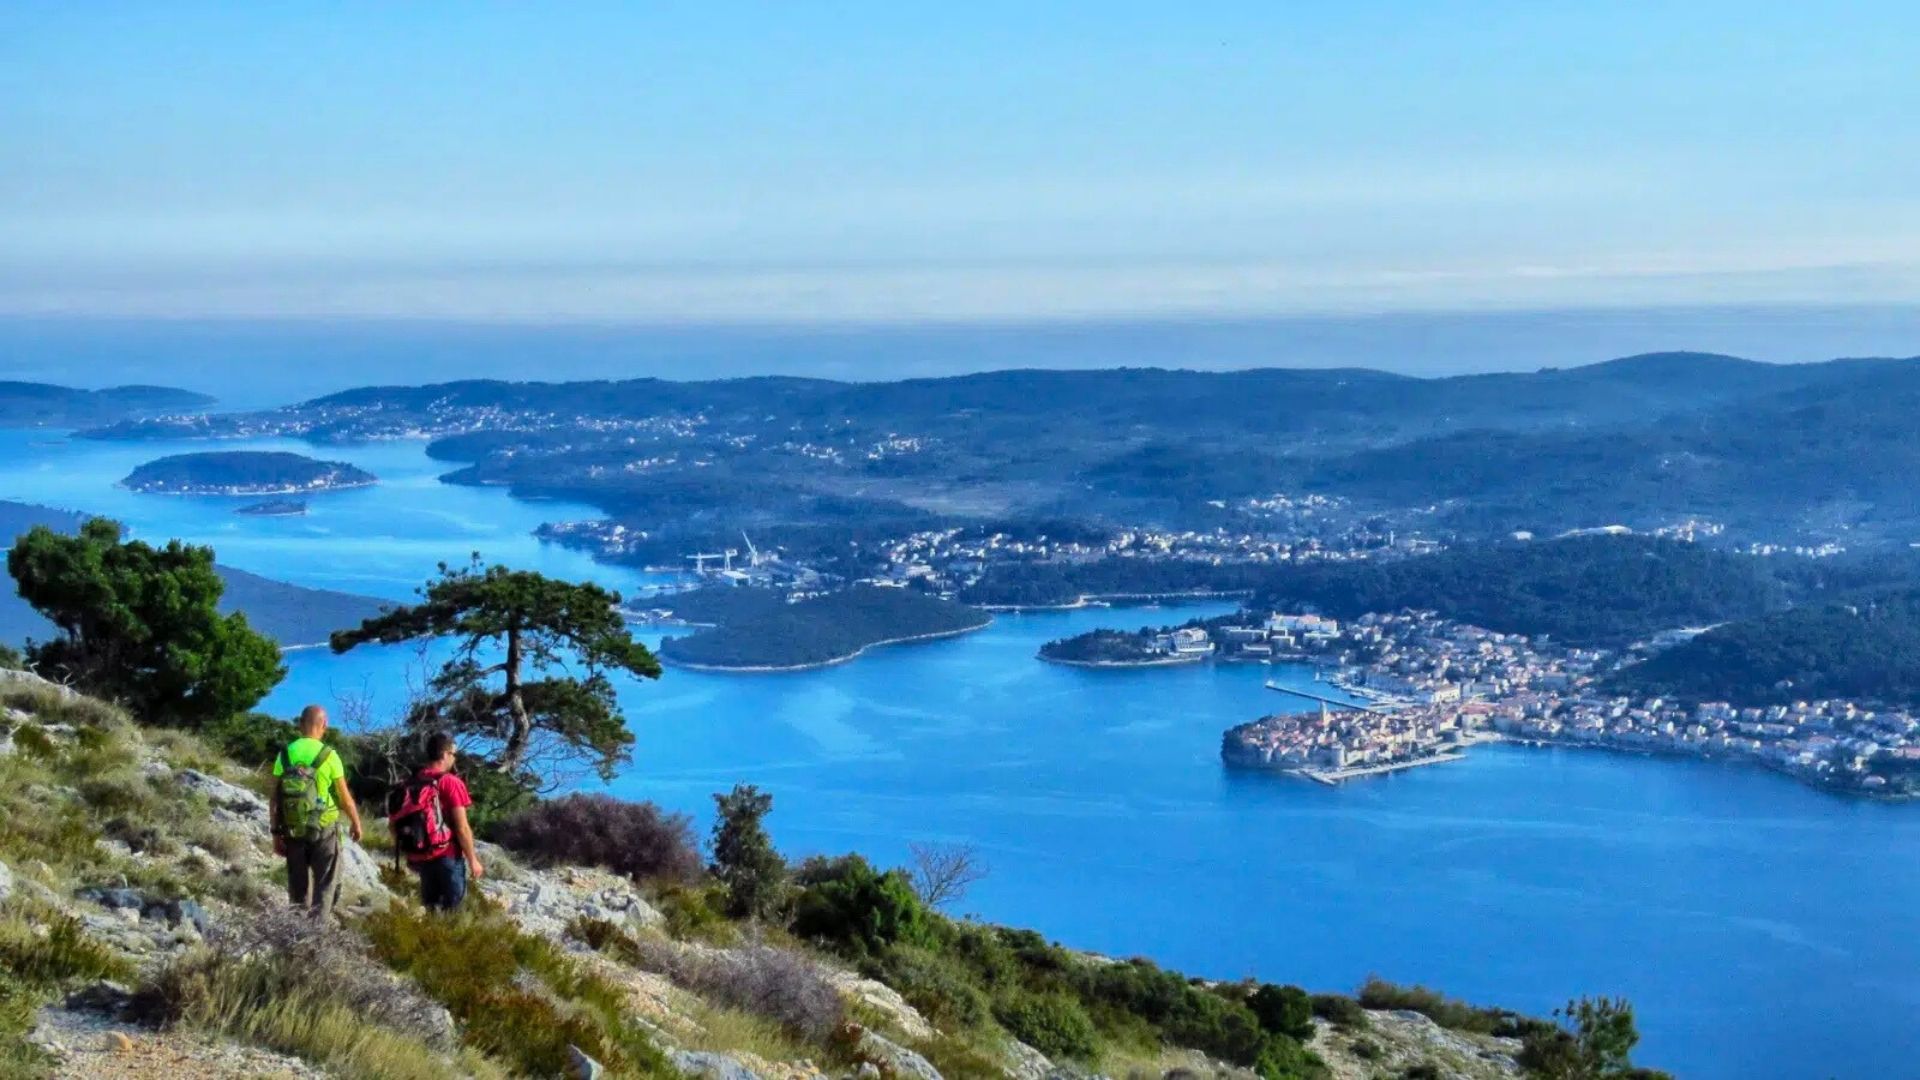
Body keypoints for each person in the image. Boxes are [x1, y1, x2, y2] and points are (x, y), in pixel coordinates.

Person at [270, 705, 364, 921]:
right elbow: (344, 797)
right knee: (325, 886)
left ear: (300, 724)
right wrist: (356, 823)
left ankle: (295, 934)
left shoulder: (285, 754)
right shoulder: (329, 755)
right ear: (324, 725)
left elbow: (274, 798)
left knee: (298, 890)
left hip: (293, 829)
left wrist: (276, 834)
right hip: (324, 828)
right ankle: (317, 939)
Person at [400, 731, 483, 911]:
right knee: (454, 914)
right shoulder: (450, 782)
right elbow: (462, 827)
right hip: (448, 855)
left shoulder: (412, 781)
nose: (454, 759)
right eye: (454, 754)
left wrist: (410, 852)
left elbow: (396, 822)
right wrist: (473, 860)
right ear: (445, 754)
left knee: (432, 912)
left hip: (423, 855)